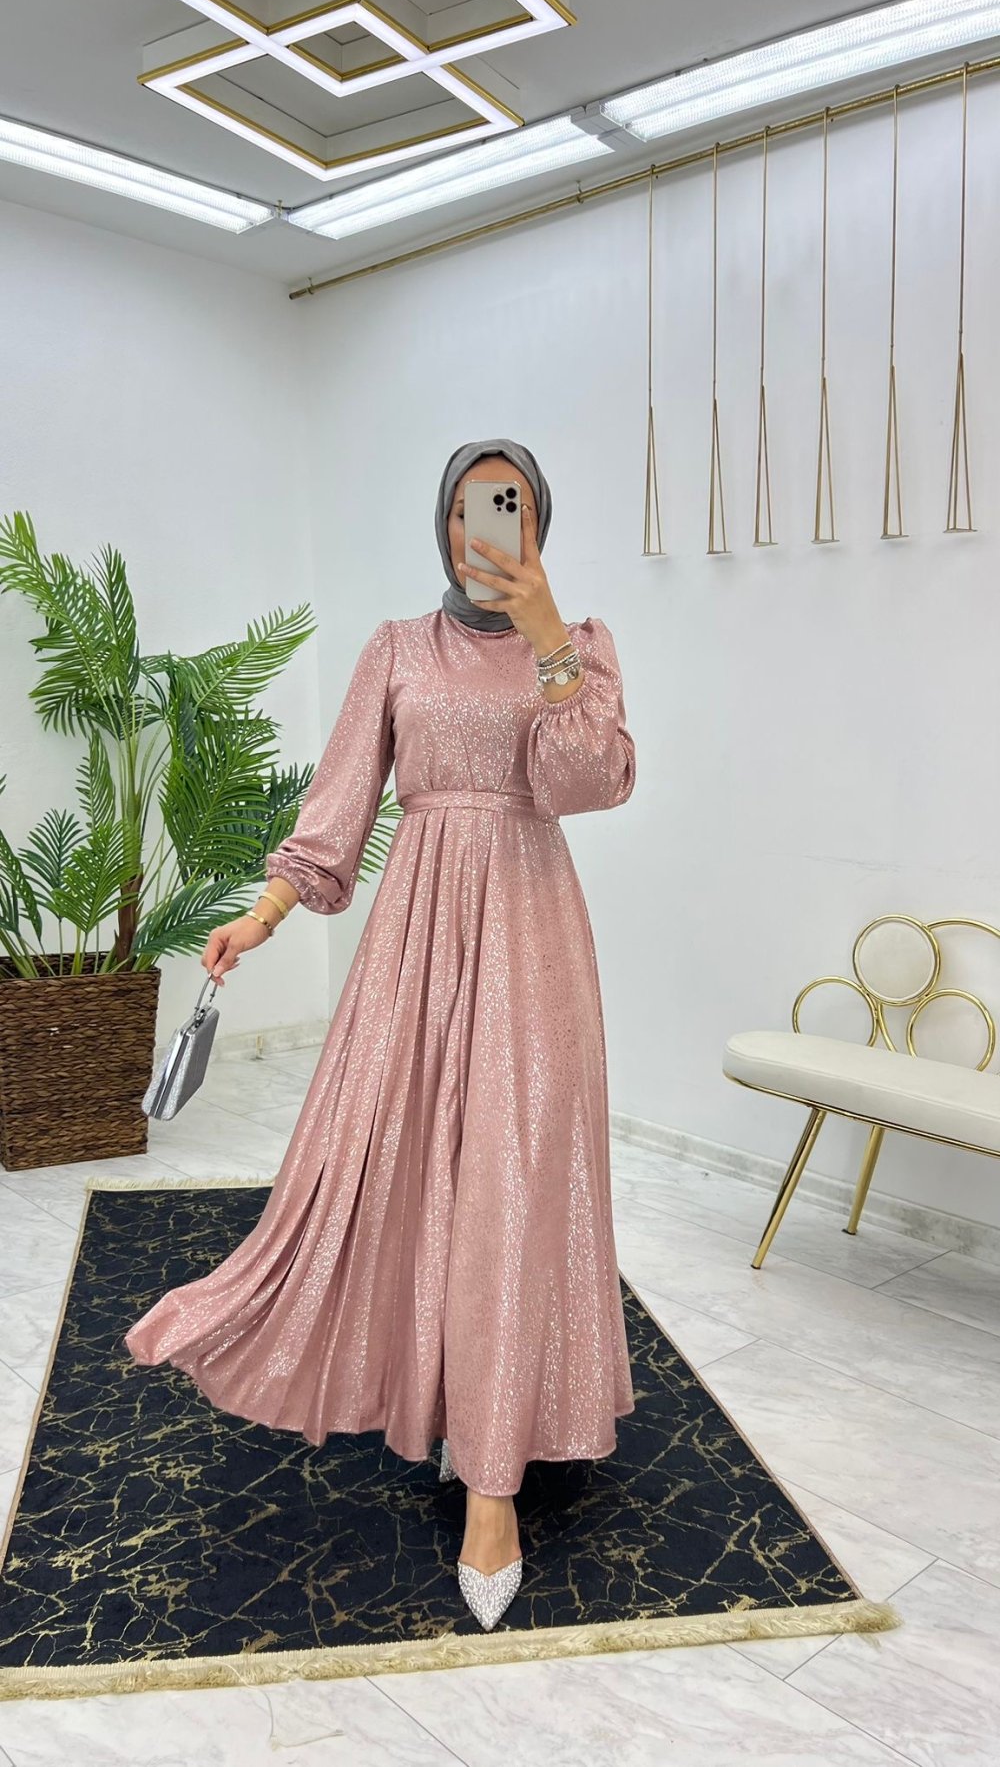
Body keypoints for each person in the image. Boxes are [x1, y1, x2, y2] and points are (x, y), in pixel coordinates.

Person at [124, 437, 637, 1632]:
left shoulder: (584, 645)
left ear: (538, 523)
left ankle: (494, 1484)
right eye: (467, 508)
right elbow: (339, 808)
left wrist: (550, 637)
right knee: (402, 1168)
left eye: (507, 507)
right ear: (443, 522)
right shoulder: (397, 646)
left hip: (532, 936)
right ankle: (437, 1388)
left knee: (513, 1183)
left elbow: (590, 781)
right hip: (414, 938)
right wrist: (259, 915)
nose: (484, 529)